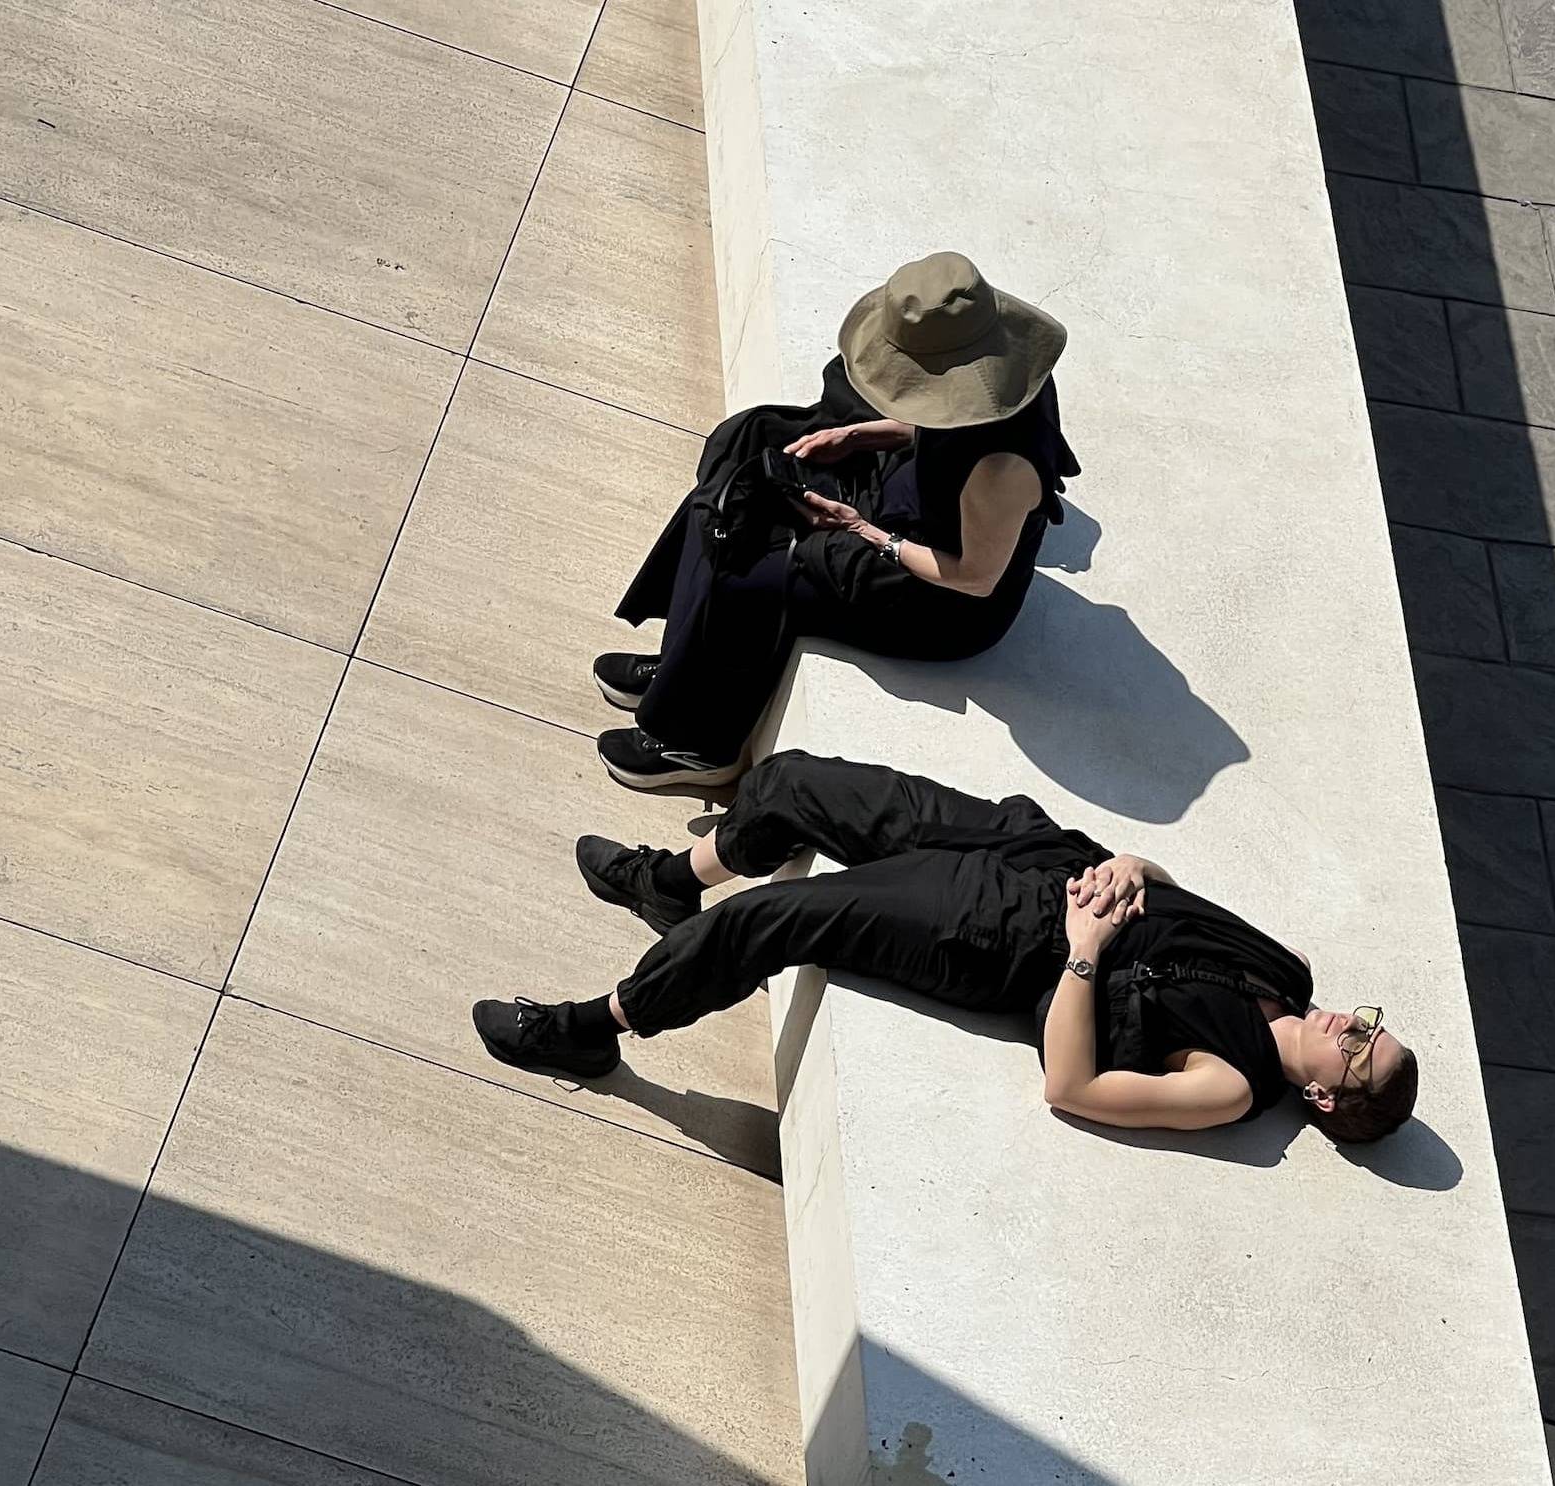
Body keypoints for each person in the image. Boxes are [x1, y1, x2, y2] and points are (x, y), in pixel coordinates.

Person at [472, 753, 1419, 1142]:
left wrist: (1084, 951)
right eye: (1368, 1022)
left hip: (1002, 936)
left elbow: (1072, 1088)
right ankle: (672, 881)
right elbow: (1172, 896)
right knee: (796, 784)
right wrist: (1134, 866)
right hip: (1041, 852)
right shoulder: (1287, 971)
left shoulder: (1230, 1086)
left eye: (1356, 1046)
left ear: (1325, 1097)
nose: (1348, 1022)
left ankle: (594, 1028)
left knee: (771, 921)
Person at [595, 251, 1080, 789]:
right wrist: (858, 435)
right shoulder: (1005, 371)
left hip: (936, 594)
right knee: (747, 453)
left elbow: (975, 577)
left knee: (751, 570)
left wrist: (861, 531)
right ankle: (682, 659)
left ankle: (699, 747)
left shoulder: (1002, 472)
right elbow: (945, 421)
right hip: (909, 500)